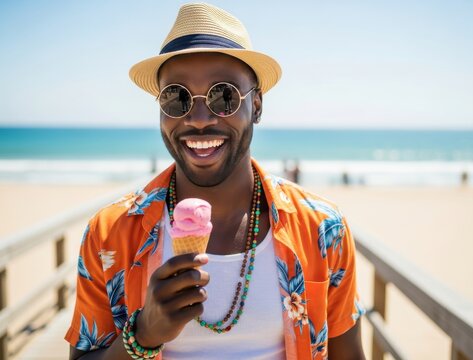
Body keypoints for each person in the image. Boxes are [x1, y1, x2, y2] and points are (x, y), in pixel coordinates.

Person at [65, 3, 365, 359]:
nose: (199, 119)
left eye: (223, 96)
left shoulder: (322, 228)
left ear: (256, 105)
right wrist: (143, 334)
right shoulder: (110, 232)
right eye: (176, 98)